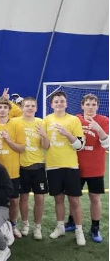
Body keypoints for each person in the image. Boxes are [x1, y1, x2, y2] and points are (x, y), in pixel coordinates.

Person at [64, 94, 108, 243]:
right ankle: (71, 221)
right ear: (82, 106)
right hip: (75, 167)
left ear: (97, 106)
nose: (90, 107)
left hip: (95, 168)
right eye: (87, 104)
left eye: (93, 104)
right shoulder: (75, 119)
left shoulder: (104, 121)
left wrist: (98, 129)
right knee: (73, 197)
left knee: (94, 198)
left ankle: (95, 228)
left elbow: (107, 144)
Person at [44, 91, 86, 246]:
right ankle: (60, 226)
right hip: (53, 166)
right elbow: (45, 145)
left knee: (74, 200)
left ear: (66, 104)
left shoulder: (73, 120)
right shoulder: (47, 120)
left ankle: (79, 230)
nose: (59, 104)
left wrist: (67, 134)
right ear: (51, 104)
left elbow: (79, 146)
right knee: (58, 199)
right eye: (56, 101)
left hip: (70, 166)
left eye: (62, 101)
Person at [16, 97, 49, 240]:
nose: (29, 108)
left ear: (36, 108)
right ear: (22, 108)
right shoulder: (16, 122)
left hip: (38, 166)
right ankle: (25, 224)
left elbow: (46, 146)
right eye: (27, 106)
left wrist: (44, 135)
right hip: (22, 166)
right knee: (22, 197)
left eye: (32, 106)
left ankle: (37, 227)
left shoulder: (41, 122)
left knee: (39, 198)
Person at [0, 97, 26, 238]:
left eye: (5, 107)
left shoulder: (17, 125)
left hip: (12, 171)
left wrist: (8, 140)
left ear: (9, 110)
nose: (2, 110)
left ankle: (13, 225)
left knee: (13, 200)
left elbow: (21, 148)